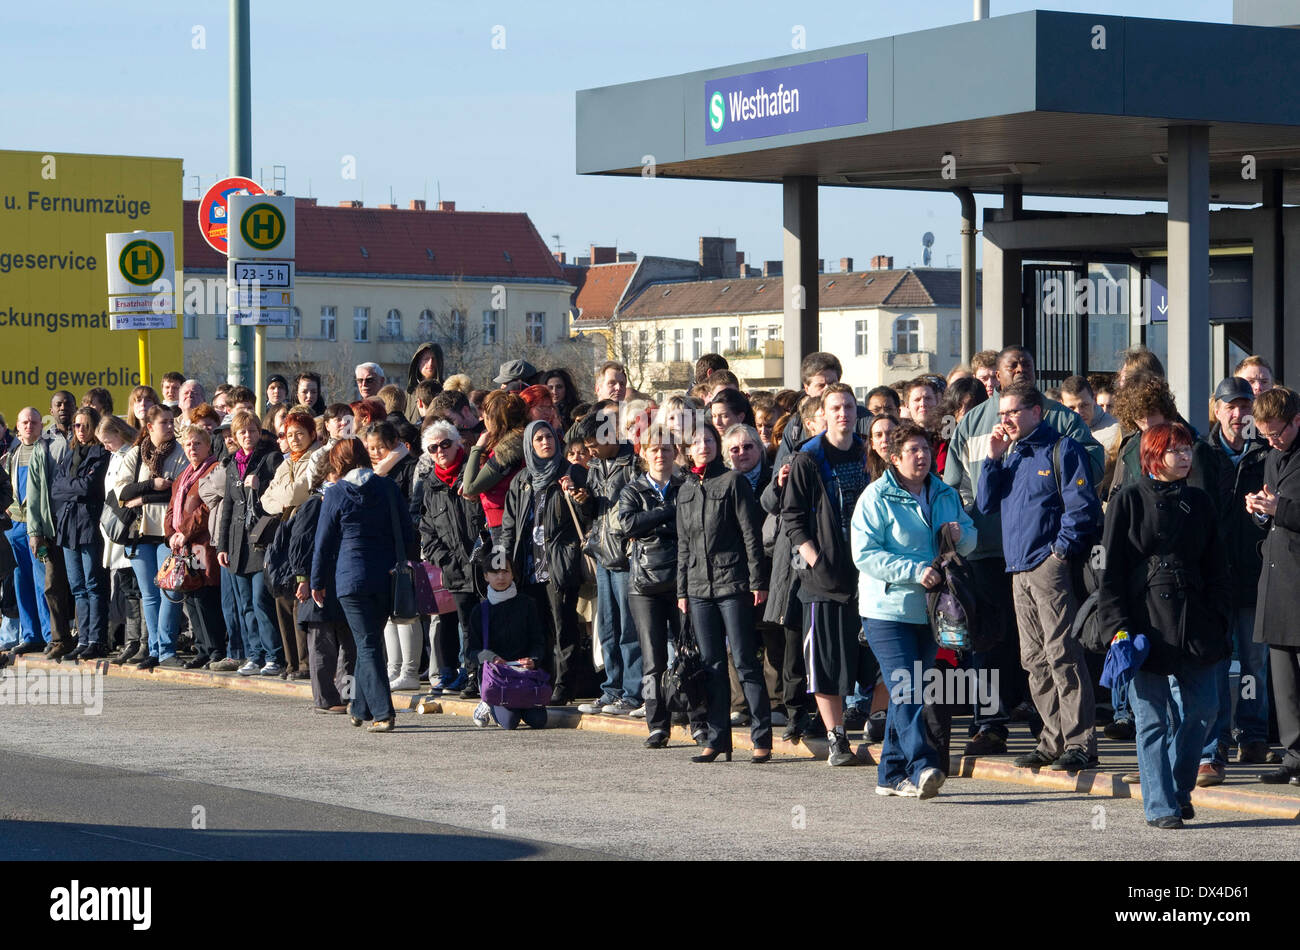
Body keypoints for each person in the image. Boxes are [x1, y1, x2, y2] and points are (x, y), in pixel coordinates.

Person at [943, 345, 1102, 757]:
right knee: (1033, 659)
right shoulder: (1010, 452)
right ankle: (1051, 740)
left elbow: (1081, 509)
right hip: (1016, 568)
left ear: (1037, 413)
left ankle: (1080, 741)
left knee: (1062, 654)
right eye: (1001, 414)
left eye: (1013, 413)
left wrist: (1060, 554)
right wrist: (993, 460)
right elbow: (986, 502)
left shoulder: (1061, 448)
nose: (1006, 420)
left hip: (1048, 567)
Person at [1099, 423, 1231, 826]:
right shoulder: (1128, 499)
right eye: (1175, 450)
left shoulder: (1200, 502)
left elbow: (1217, 567)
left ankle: (1176, 787)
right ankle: (1161, 806)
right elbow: (1109, 569)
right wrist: (1117, 626)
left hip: (1196, 624)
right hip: (1143, 624)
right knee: (1152, 720)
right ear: (1154, 455)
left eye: (1188, 449)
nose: (1185, 456)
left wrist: (1219, 616)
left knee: (1204, 711)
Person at [853, 422, 976, 798]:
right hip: (886, 610)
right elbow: (864, 554)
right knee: (907, 689)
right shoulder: (875, 497)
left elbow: (971, 536)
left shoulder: (943, 492)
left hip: (931, 610)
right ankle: (922, 766)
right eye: (912, 451)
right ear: (894, 457)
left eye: (925, 449)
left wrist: (960, 536)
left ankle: (889, 774)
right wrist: (912, 571)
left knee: (910, 689)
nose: (921, 456)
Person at [1191, 377, 1277, 784]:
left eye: (1245, 406)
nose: (1238, 414)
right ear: (1216, 409)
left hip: (1256, 574)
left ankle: (1255, 735)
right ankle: (1216, 746)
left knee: (1255, 663)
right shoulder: (1200, 454)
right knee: (1218, 665)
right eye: (1231, 406)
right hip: (1213, 577)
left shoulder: (1266, 453)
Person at [781, 383, 871, 766]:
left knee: (871, 659)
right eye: (836, 407)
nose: (843, 414)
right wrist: (816, 560)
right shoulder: (809, 457)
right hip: (824, 580)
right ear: (824, 413)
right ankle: (837, 738)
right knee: (826, 661)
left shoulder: (869, 452)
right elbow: (793, 518)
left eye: (849, 406)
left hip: (868, 573)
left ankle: (874, 719)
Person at [675, 421, 769, 763]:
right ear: (687, 450)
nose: (704, 446)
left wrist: (758, 581)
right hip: (698, 588)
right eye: (697, 441)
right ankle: (717, 739)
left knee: (744, 661)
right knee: (711, 664)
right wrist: (681, 589)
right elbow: (683, 545)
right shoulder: (684, 490)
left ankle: (762, 738)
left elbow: (751, 536)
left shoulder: (734, 482)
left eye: (710, 440)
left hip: (734, 584)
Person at [311, 437, 417, 733]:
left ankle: (383, 713)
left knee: (368, 643)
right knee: (367, 641)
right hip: (386, 577)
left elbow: (323, 543)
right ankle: (359, 707)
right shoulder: (387, 486)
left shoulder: (335, 493)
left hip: (351, 579)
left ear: (338, 463)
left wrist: (317, 581)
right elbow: (407, 530)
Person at [618, 425, 698, 746]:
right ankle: (657, 723)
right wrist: (667, 512)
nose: (660, 455)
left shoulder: (687, 485)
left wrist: (653, 522)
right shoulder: (632, 490)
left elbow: (693, 524)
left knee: (690, 654)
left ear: (675, 452)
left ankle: (699, 719)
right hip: (644, 585)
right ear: (644, 454)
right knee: (653, 661)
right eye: (654, 449)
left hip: (682, 580)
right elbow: (628, 524)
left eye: (666, 449)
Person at [499, 420, 587, 704]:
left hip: (558, 563)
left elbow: (588, 515)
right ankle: (543, 681)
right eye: (538, 438)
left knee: (564, 626)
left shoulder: (571, 472)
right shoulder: (521, 480)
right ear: (529, 445)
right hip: (527, 565)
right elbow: (509, 525)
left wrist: (576, 494)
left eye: (549, 436)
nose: (545, 442)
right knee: (537, 629)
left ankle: (565, 685)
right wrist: (504, 560)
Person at [1244, 387, 1300, 786]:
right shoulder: (1273, 456)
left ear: (1297, 420)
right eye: (1265, 434)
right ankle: (1295, 756)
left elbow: (1288, 509)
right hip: (1279, 576)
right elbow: (1273, 513)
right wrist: (1260, 511)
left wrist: (1280, 509)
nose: (1272, 440)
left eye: (1277, 432)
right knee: (1283, 679)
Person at [574, 404, 643, 715]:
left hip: (627, 556)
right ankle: (611, 688)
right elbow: (594, 512)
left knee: (629, 626)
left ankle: (633, 691)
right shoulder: (595, 467)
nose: (591, 452)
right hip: (602, 552)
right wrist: (584, 500)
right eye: (587, 448)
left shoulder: (634, 463)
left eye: (593, 445)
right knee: (608, 625)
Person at [113, 406, 189, 670]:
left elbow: (180, 492)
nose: (170, 426)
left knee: (170, 590)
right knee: (149, 595)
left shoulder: (180, 453)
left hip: (168, 533)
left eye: (172, 422)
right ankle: (155, 649)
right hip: (139, 532)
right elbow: (121, 492)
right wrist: (152, 486)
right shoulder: (136, 454)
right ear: (150, 426)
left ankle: (168, 648)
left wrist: (143, 497)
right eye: (164, 422)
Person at [419, 420, 487, 695]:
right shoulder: (430, 486)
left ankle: (490, 675)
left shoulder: (473, 473)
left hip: (485, 566)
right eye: (434, 447)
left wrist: (483, 553)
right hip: (455, 569)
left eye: (445, 444)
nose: (440, 451)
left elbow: (488, 516)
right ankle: (471, 675)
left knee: (487, 622)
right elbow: (427, 532)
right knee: (466, 626)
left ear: (458, 443)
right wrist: (446, 560)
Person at [217, 409, 285, 676]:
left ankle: (273, 655)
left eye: (252, 430)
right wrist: (222, 547)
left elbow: (276, 498)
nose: (248, 436)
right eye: (242, 432)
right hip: (237, 543)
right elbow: (228, 509)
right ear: (234, 436)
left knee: (260, 600)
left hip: (261, 539)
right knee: (244, 603)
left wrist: (260, 484)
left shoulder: (270, 459)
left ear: (259, 432)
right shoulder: (232, 463)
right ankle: (253, 654)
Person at [288, 461, 356, 713]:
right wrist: (302, 579)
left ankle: (349, 696)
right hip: (319, 583)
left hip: (344, 582)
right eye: (337, 472)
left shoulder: (347, 500)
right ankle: (326, 700)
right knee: (322, 647)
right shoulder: (315, 504)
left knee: (350, 648)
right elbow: (300, 544)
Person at [261, 408, 323, 680]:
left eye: (300, 433)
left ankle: (306, 662)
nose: (294, 439)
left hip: (306, 533)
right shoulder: (286, 463)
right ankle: (290, 663)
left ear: (312, 434)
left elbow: (300, 492)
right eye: (289, 434)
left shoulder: (317, 459)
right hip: (283, 533)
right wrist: (285, 496)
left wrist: (284, 495)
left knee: (300, 597)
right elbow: (266, 499)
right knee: (281, 597)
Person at [468, 548, 550, 730]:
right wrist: (491, 658)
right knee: (510, 722)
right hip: (497, 678)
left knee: (538, 721)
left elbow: (539, 641)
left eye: (505, 571)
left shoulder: (527, 604)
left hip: (524, 675)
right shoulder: (480, 611)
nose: (500, 577)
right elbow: (471, 652)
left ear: (513, 574)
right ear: (485, 576)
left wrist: (533, 660)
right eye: (494, 573)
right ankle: (487, 703)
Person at [52, 407, 110, 660]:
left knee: (93, 584)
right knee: (77, 587)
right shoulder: (70, 453)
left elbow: (89, 487)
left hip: (89, 525)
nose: (81, 430)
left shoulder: (101, 454)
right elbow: (56, 488)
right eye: (77, 425)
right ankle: (83, 638)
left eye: (86, 425)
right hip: (68, 526)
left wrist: (70, 488)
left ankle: (97, 639)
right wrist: (73, 488)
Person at [166, 423, 226, 669]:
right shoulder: (182, 476)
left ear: (208, 446)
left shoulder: (212, 469)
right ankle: (201, 648)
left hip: (202, 544)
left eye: (197, 443)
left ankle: (215, 649)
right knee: (190, 597)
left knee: (205, 597)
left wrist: (185, 531)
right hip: (183, 546)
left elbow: (207, 507)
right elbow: (172, 508)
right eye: (188, 444)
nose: (192, 448)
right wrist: (170, 533)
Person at [95, 414, 143, 665]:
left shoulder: (130, 456)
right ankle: (131, 640)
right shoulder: (115, 457)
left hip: (127, 527)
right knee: (126, 586)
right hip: (113, 527)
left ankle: (137, 641)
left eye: (107, 440)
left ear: (118, 433)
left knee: (135, 587)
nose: (105, 446)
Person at [461, 390, 527, 534]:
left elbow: (470, 487)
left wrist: (477, 448)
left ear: (494, 419)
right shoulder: (514, 442)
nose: (482, 418)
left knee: (501, 557)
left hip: (504, 524)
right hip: (503, 520)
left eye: (485, 415)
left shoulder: (508, 449)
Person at [404, 342, 445, 424]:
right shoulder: (408, 395)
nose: (430, 363)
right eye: (426, 359)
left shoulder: (446, 393)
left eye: (434, 359)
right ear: (418, 362)